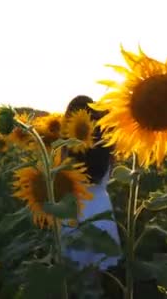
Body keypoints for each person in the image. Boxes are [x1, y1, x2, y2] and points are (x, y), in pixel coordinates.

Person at [60, 95, 121, 271]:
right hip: (101, 211)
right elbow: (110, 173)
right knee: (101, 274)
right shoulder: (107, 144)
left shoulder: (68, 146)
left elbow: (61, 176)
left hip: (74, 212)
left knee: (72, 276)